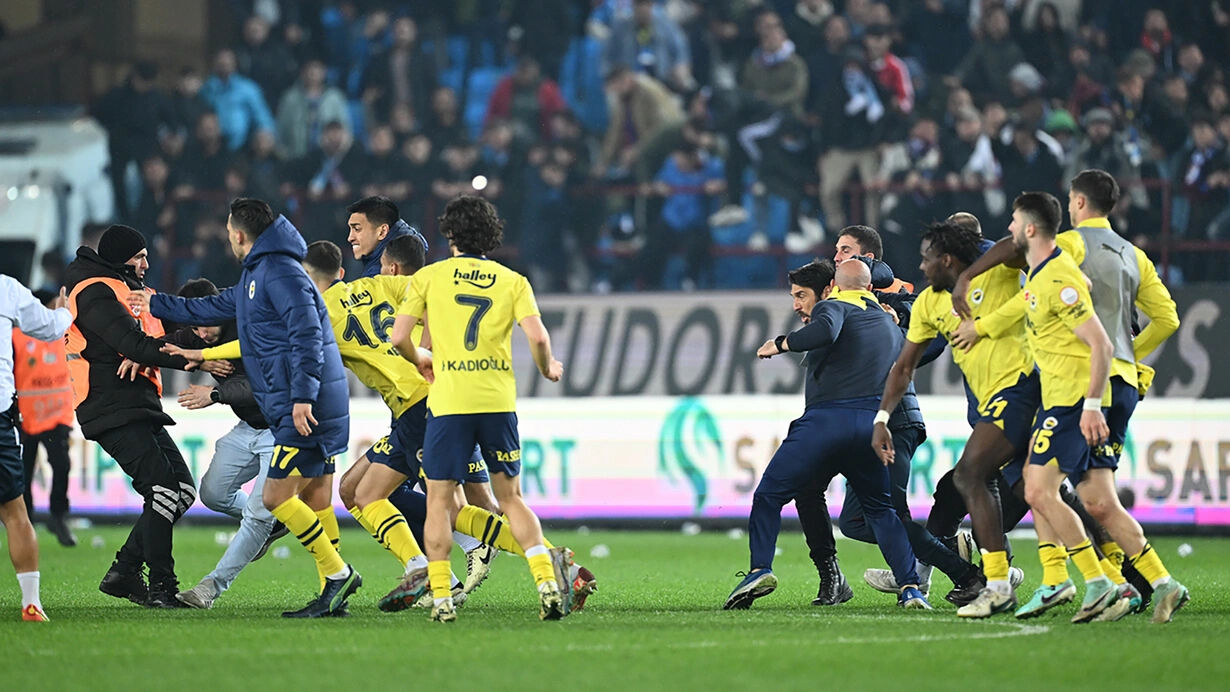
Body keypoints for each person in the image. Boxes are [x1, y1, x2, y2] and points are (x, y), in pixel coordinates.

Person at [953, 171, 1189, 623]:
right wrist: (1129, 354)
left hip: (1077, 386)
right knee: (1096, 496)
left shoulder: (1067, 250)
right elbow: (1167, 319)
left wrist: (968, 277)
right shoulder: (1133, 254)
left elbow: (1026, 267)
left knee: (1038, 486)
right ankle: (1152, 581)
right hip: (1120, 380)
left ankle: (1079, 580)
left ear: (1077, 203)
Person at [136, 199, 357, 618]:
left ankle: (336, 578)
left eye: (227, 230)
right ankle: (334, 585)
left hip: (303, 406)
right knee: (309, 498)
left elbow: (309, 337)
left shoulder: (280, 272)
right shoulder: (262, 272)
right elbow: (208, 307)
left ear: (239, 234)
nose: (227, 238)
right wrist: (153, 302)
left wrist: (303, 398)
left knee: (276, 499)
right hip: (291, 405)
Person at [387, 195, 573, 623]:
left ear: (450, 234)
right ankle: (546, 581)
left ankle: (441, 598)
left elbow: (399, 338)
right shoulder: (513, 281)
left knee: (437, 500)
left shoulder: (430, 277)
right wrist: (549, 369)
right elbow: (540, 340)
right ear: (492, 235)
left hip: (450, 403)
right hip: (496, 402)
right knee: (510, 498)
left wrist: (421, 359)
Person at [725, 259, 930, 611]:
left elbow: (825, 332)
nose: (797, 304)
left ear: (833, 286)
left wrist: (782, 342)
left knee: (769, 496)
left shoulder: (833, 307)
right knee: (882, 511)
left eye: (801, 296)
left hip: (825, 422)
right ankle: (910, 587)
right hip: (869, 426)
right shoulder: (888, 323)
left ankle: (760, 568)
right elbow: (920, 353)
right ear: (869, 288)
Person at [782, 259, 981, 608]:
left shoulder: (884, 308)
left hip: (890, 421)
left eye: (846, 250)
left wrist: (899, 343)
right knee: (836, 505)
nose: (838, 256)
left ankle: (959, 572)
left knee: (879, 515)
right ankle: (834, 577)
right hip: (851, 423)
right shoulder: (842, 312)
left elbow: (931, 342)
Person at [960, 191, 1120, 624]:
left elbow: (1101, 344)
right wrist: (981, 328)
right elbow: (1022, 305)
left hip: (1070, 400)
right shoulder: (1044, 273)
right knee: (1044, 492)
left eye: (1013, 222)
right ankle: (1083, 579)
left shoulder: (1056, 278)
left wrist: (1090, 406)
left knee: (1041, 492)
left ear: (1030, 228)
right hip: (1055, 397)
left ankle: (1102, 580)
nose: (1009, 230)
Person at [872, 219, 1039, 618]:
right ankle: (1131, 577)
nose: (921, 268)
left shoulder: (999, 273)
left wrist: (968, 277)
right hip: (991, 406)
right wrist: (881, 417)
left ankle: (993, 579)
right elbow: (904, 366)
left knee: (970, 478)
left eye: (927, 259)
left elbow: (1019, 242)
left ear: (947, 259)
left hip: (1026, 389)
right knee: (1034, 491)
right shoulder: (930, 303)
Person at [64, 225, 196, 608]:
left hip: (138, 404)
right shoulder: (95, 291)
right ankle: (162, 588)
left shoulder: (128, 290)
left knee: (181, 493)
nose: (146, 263)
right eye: (139, 256)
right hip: (110, 405)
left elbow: (172, 332)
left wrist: (178, 345)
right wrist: (192, 360)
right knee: (164, 490)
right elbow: (131, 342)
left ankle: (123, 572)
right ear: (121, 258)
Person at [167, 279, 285, 610]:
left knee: (257, 514)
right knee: (213, 494)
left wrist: (215, 393)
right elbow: (165, 346)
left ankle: (210, 588)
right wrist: (140, 356)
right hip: (248, 427)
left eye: (206, 324)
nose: (201, 335)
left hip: (282, 429)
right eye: (195, 326)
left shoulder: (251, 326)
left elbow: (263, 385)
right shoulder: (200, 333)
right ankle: (276, 521)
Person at [0, 277, 73, 621]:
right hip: (2, 417)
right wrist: (63, 313)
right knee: (15, 513)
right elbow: (49, 329)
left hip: (36, 416)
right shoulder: (5, 289)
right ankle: (31, 603)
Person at [14, 289, 76, 547]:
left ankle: (58, 516)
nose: (56, 310)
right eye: (52, 305)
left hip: (56, 416)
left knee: (61, 465)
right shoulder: (16, 337)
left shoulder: (65, 331)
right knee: (24, 473)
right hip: (25, 417)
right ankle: (26, 522)